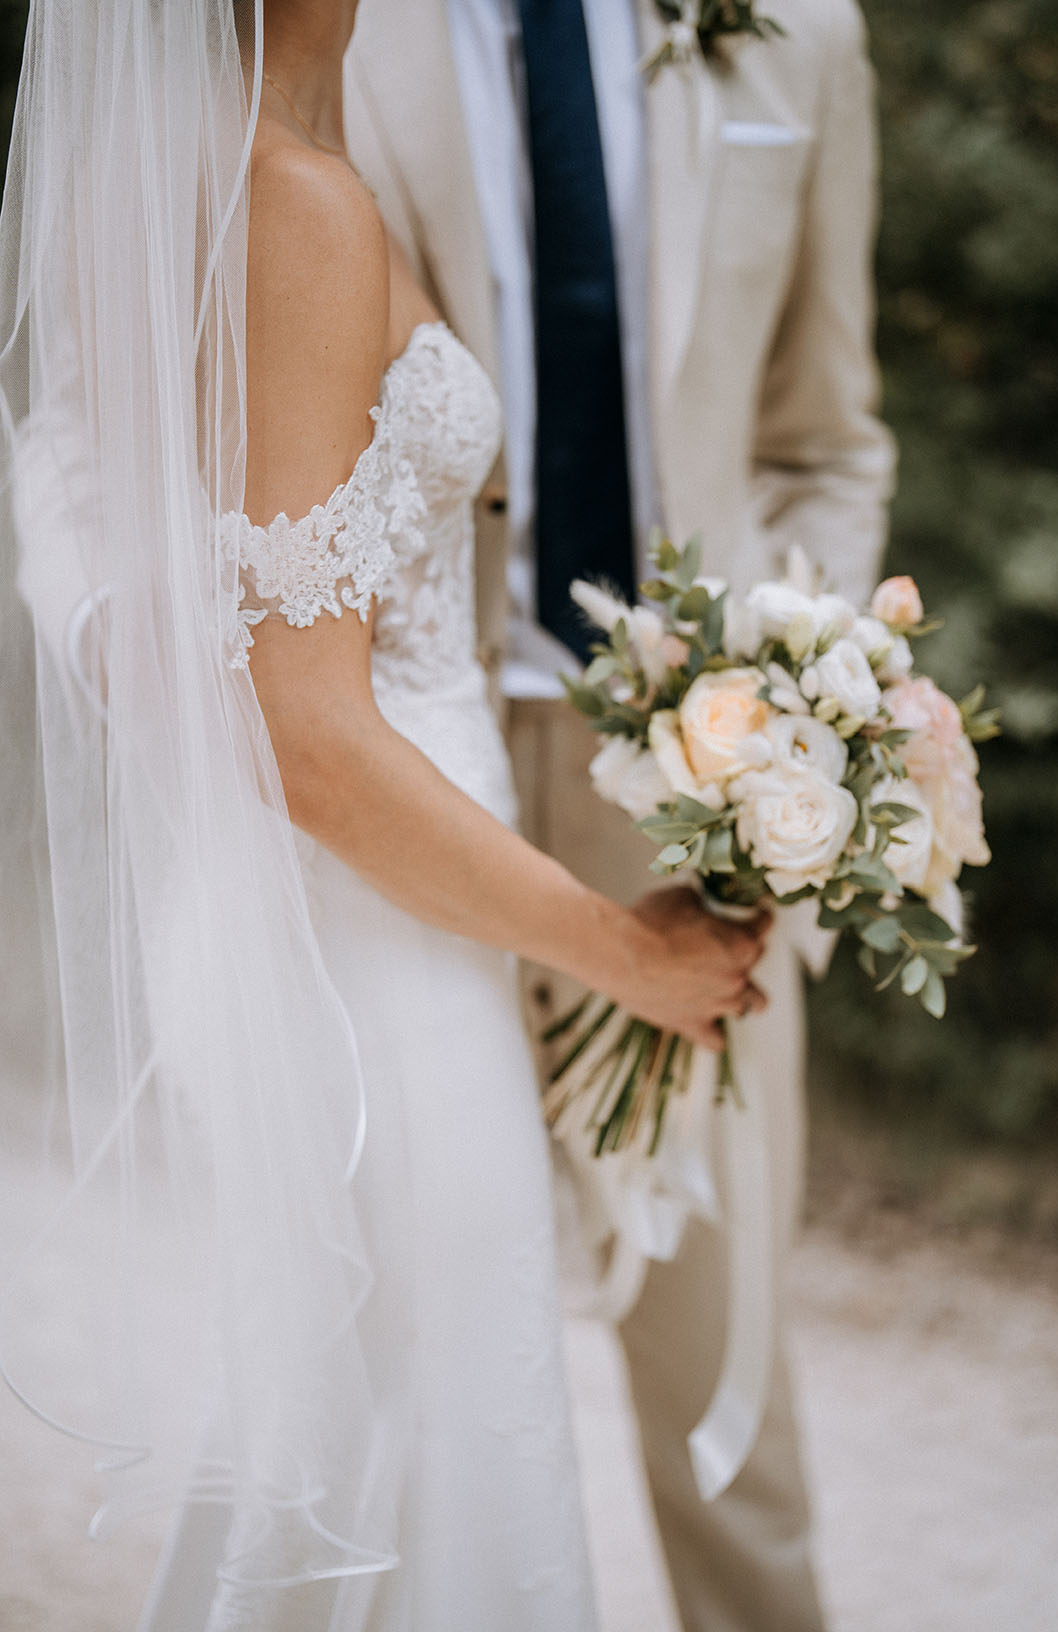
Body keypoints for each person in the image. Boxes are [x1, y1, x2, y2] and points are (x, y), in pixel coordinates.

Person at [0, 2, 771, 1629]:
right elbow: (315, 737)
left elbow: (70, 470)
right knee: (427, 1445)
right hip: (368, 940)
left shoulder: (188, 180)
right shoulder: (291, 203)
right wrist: (626, 951)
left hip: (329, 908)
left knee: (360, 1443)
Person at [342, 2, 897, 1628]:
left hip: (701, 770)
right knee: (392, 1309)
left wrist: (797, 717)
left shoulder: (798, 33)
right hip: (401, 750)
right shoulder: (322, 28)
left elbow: (826, 441)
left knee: (719, 1336)